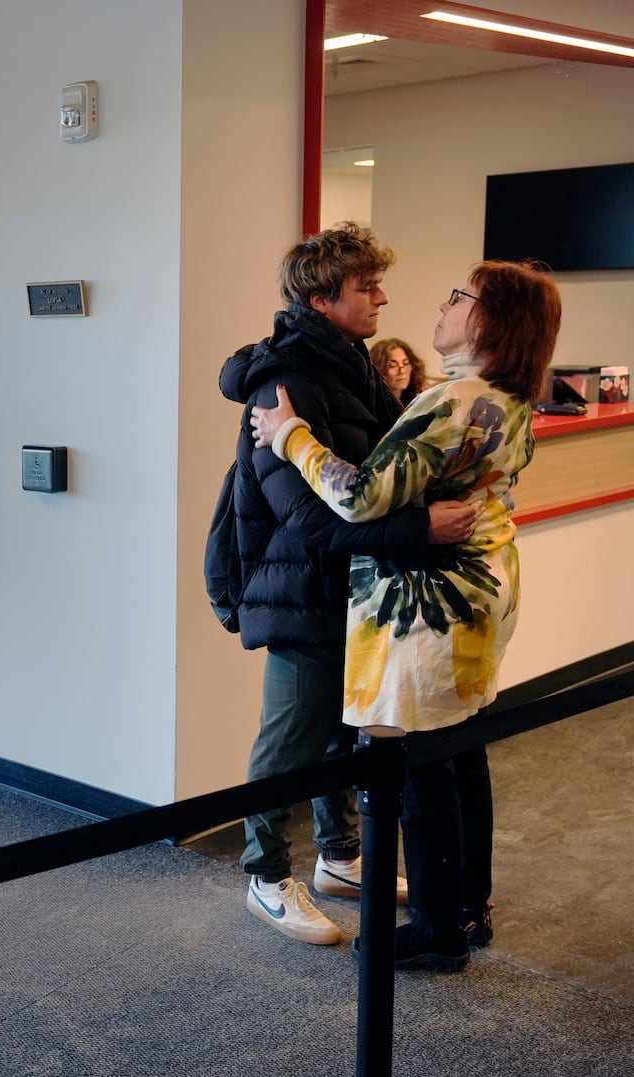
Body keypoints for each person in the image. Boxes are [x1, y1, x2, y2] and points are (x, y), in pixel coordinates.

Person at [250, 261, 562, 970]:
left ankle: (434, 927)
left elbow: (358, 497)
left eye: (461, 296)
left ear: (490, 320)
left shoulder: (453, 401)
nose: (441, 305)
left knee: (421, 765)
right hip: (480, 595)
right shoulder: (508, 398)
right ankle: (466, 905)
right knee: (461, 752)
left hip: (431, 607)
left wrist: (291, 432)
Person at [219, 223, 476, 946]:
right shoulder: (284, 383)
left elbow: (384, 473)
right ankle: (264, 877)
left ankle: (338, 858)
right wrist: (417, 529)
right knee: (290, 740)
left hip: (354, 588)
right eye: (367, 287)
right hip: (301, 591)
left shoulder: (354, 364)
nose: (383, 299)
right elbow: (311, 520)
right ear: (321, 296)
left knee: (340, 729)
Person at [369, 337, 428, 406]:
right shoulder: (371, 405)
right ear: (379, 369)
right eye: (393, 366)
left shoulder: (416, 401)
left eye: (405, 363)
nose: (402, 371)